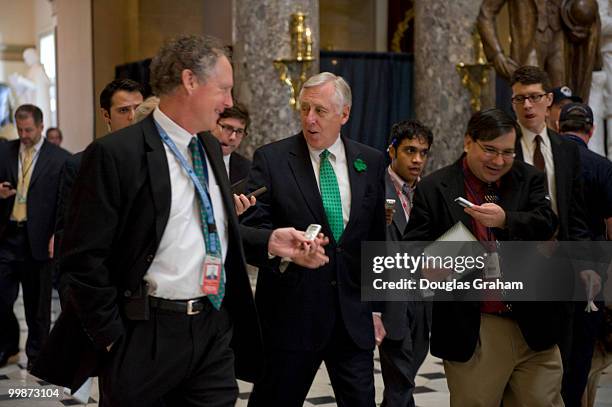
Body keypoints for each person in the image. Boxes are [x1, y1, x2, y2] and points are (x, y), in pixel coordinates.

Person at [32, 35, 328, 406]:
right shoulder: (115, 154)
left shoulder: (206, 147)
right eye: (224, 89)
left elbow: (199, 230)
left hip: (211, 330)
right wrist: (113, 338)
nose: (229, 102)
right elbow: (81, 261)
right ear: (190, 81)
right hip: (146, 334)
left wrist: (269, 242)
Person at [243, 72, 386, 407]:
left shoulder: (371, 162)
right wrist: (283, 250)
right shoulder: (272, 159)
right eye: (304, 108)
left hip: (352, 320)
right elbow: (251, 227)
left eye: (320, 111)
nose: (309, 119)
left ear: (344, 114)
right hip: (291, 319)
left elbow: (376, 237)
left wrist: (378, 308)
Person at [404, 108, 561, 406]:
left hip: (534, 323)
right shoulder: (435, 188)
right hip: (474, 327)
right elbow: (414, 250)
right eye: (490, 150)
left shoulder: (529, 178)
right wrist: (431, 264)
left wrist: (505, 220)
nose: (499, 161)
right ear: (468, 142)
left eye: (507, 152)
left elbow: (546, 222)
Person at [0, 104, 69, 369]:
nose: (24, 135)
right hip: (7, 236)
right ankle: (7, 347)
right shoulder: (4, 151)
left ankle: (38, 357)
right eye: (20, 129)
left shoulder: (60, 158)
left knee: (37, 307)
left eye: (29, 129)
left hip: (39, 240)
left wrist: (57, 235)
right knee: (1, 298)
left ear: (41, 126)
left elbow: (65, 203)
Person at [556, 102, 612, 406]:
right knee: (579, 361)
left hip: (547, 274)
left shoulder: (547, 162)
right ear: (590, 131)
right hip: (590, 279)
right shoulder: (603, 167)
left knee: (545, 359)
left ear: (557, 127)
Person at [379, 120, 433, 407]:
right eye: (410, 151)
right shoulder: (374, 190)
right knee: (400, 380)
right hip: (392, 298)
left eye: (423, 153)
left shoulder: (431, 191)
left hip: (425, 299)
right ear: (392, 151)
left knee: (406, 378)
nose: (417, 160)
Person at [477, 0, 600, 101]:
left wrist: (581, 24)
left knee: (562, 103)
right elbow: (486, 13)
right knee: (531, 100)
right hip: (529, 46)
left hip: (560, 44)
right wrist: (496, 55)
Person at [210, 103, 251, 190]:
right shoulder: (195, 157)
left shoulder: (248, 170)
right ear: (212, 124)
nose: (233, 137)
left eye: (239, 131)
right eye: (228, 128)